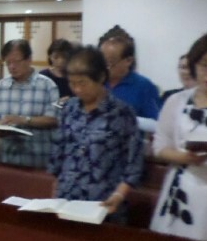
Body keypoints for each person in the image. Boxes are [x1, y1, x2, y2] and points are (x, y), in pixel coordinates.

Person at [48, 46, 143, 224]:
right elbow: (58, 153)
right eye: (72, 83)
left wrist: (119, 195)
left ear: (100, 77)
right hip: (66, 198)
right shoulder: (69, 109)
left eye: (82, 83)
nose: (76, 89)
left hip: (103, 203)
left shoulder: (121, 113)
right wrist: (55, 192)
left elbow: (134, 162)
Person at [150, 29, 207, 241]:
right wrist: (184, 157)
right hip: (182, 189)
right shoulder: (176, 101)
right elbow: (160, 146)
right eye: (205, 65)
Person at [0, 39, 59, 168]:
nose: (12, 67)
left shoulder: (47, 85)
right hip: (7, 157)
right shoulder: (1, 86)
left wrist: (24, 120)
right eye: (8, 63)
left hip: (38, 159)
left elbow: (53, 119)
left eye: (16, 62)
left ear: (29, 59)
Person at [99, 30, 161, 120]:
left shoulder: (144, 86)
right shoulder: (95, 82)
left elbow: (156, 123)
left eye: (109, 63)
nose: (103, 67)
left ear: (128, 61)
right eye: (100, 61)